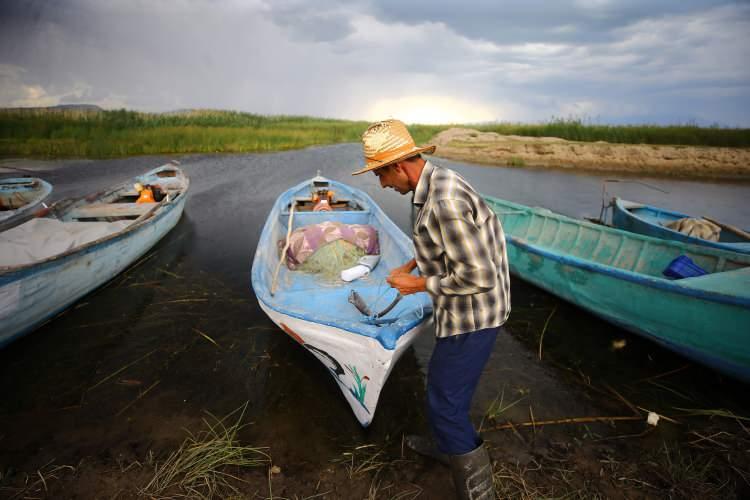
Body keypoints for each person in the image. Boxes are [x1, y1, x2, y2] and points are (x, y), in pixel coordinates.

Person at [353, 119, 511, 500]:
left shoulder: (444, 202)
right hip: (464, 311)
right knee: (444, 390)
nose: (382, 185)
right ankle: (448, 447)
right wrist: (412, 265)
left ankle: (479, 491)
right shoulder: (435, 182)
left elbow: (480, 275)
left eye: (381, 175)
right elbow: (443, 247)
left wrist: (418, 284)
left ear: (400, 166)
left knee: (445, 406)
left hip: (475, 315)